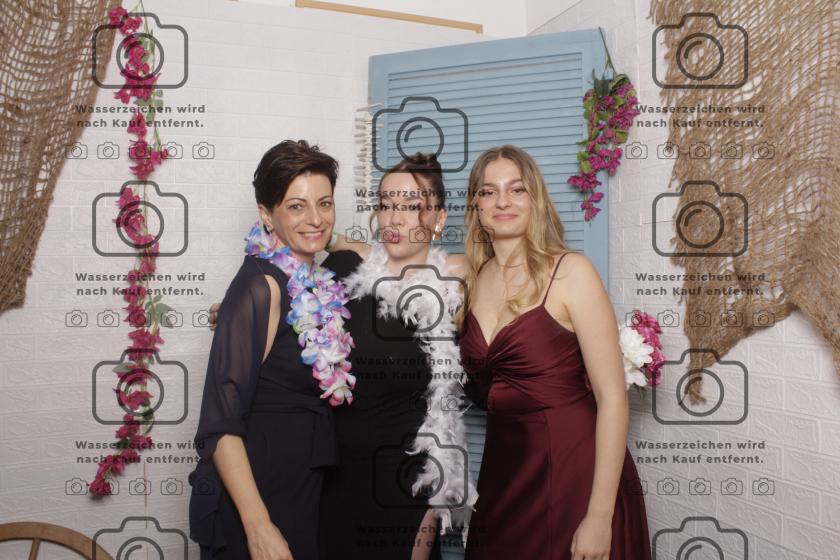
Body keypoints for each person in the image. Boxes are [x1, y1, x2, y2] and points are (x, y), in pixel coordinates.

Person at [207, 153, 477, 560]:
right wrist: (236, 315)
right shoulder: (346, 269)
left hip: (406, 484)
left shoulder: (460, 281)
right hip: (329, 481)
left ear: (439, 218)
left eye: (411, 207)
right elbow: (295, 301)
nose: (394, 219)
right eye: (386, 205)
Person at [456, 145, 651, 560]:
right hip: (504, 471)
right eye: (489, 192)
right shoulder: (472, 278)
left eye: (517, 189)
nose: (503, 202)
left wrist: (600, 516)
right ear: (476, 205)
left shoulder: (572, 273)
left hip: (572, 468)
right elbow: (400, 259)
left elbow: (613, 399)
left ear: (536, 200)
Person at [188, 139, 354, 560]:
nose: (315, 219)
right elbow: (219, 425)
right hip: (260, 498)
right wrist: (258, 525)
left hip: (301, 487)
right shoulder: (261, 287)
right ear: (267, 214)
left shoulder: (312, 282)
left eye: (325, 203)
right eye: (297, 206)